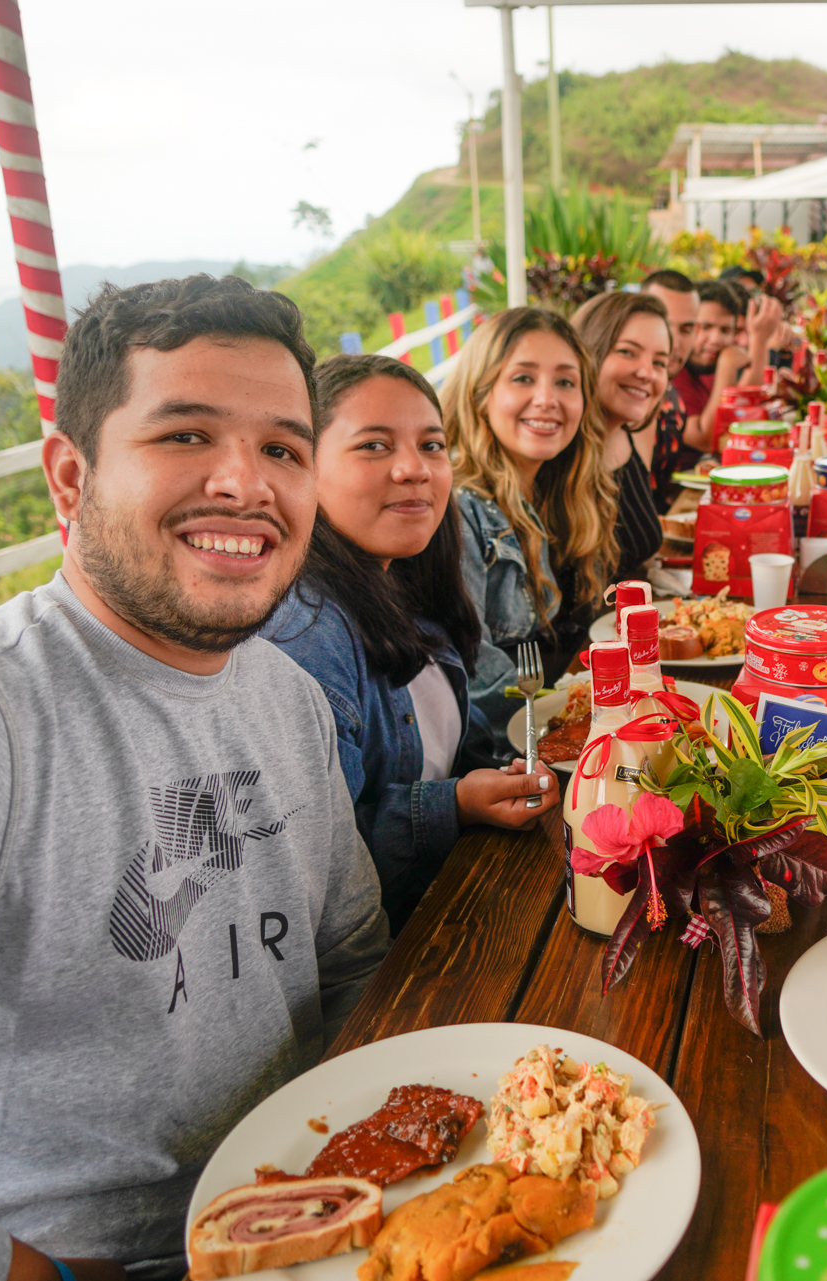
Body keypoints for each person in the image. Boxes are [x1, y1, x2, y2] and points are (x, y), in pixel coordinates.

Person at [0, 275, 390, 1281]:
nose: (244, 482)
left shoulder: (285, 695)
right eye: (185, 435)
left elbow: (353, 956)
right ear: (70, 477)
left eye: (282, 447)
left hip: (300, 1227)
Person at [262, 354, 556, 933]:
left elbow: (446, 746)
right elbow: (315, 867)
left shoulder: (402, 581)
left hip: (454, 893)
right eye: (375, 445)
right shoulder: (306, 634)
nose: (414, 469)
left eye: (432, 445)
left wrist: (494, 776)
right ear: (305, 466)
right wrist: (453, 806)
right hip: (395, 953)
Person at [448, 308, 617, 755]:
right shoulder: (458, 505)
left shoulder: (564, 489)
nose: (547, 399)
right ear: (480, 393)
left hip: (565, 726)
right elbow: (475, 676)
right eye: (522, 378)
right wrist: (575, 727)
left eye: (565, 382)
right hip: (508, 755)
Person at [574, 291, 675, 582]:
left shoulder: (630, 431)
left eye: (660, 362)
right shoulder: (556, 453)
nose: (647, 373)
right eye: (627, 352)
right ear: (590, 352)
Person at [642, 269, 701, 504]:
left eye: (686, 329)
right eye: (664, 325)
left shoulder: (673, 402)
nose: (674, 342)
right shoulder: (615, 403)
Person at [671, 279, 749, 452]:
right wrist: (727, 366)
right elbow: (705, 441)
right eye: (705, 327)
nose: (716, 339)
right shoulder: (675, 370)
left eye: (726, 330)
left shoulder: (711, 368)